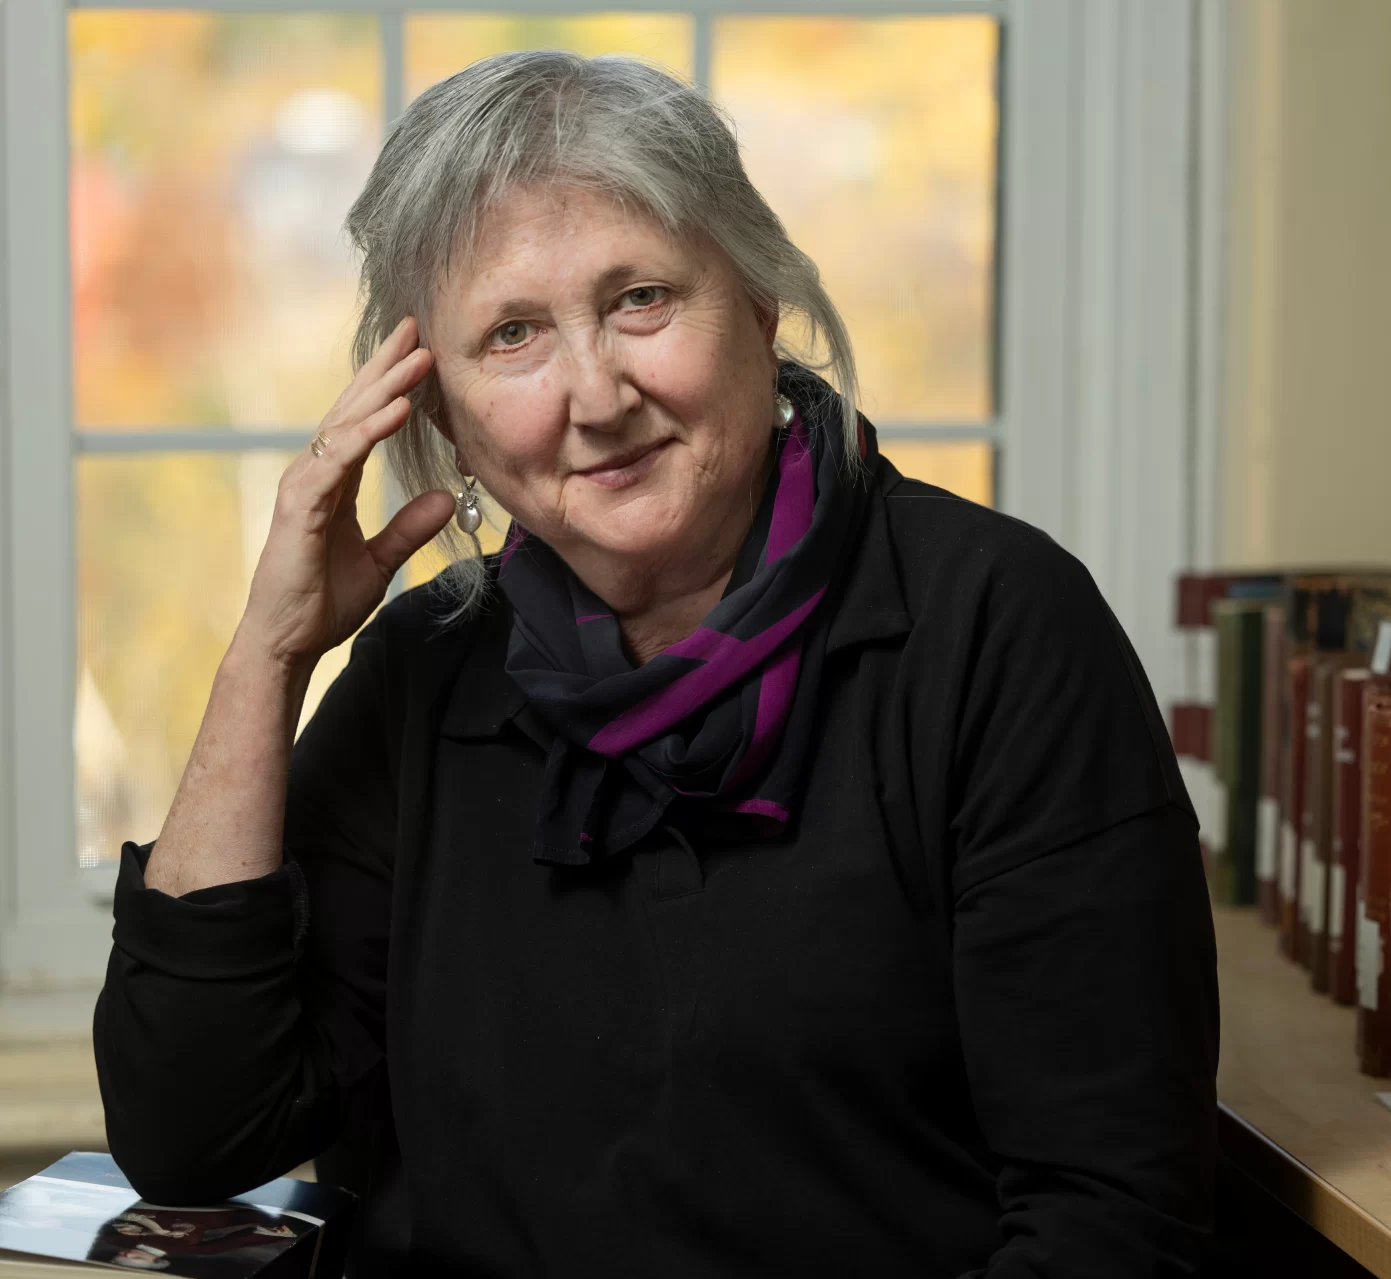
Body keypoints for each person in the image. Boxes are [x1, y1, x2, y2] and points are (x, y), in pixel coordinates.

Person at [92, 50, 1219, 1277]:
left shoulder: (995, 626)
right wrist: (271, 650)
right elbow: (193, 1134)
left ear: (758, 301)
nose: (595, 392)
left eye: (639, 299)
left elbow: (1109, 1215)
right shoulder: (425, 670)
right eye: (512, 335)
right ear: (441, 413)